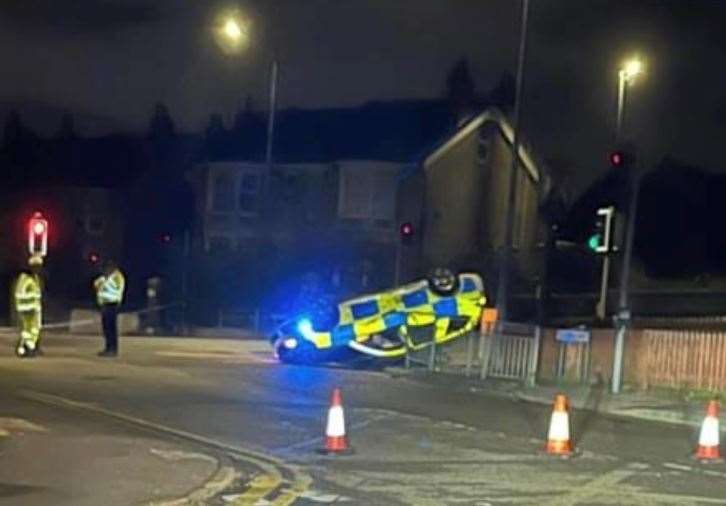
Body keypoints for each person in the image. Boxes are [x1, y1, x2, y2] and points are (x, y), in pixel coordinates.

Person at [13, 254, 44, 358]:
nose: (39, 269)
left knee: (31, 331)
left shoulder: (33, 278)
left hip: (32, 309)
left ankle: (26, 348)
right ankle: (26, 349)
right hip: (27, 309)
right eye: (38, 266)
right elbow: (21, 294)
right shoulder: (26, 279)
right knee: (29, 330)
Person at [93, 260, 126, 357]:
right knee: (106, 328)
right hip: (105, 304)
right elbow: (96, 284)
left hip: (112, 304)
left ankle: (112, 349)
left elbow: (114, 288)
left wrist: (103, 284)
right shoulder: (106, 278)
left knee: (111, 329)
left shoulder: (117, 277)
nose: (105, 270)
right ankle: (108, 348)